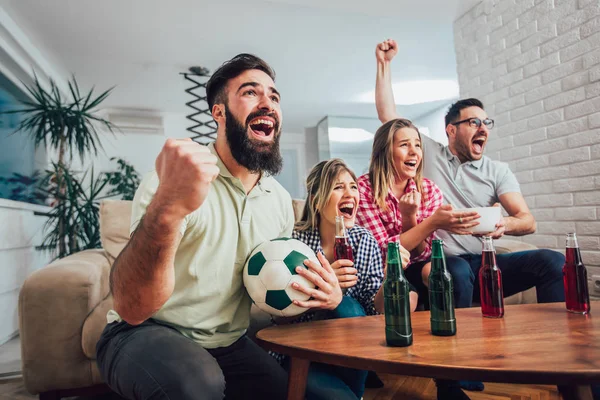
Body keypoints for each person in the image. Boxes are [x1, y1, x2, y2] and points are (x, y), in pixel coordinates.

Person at [96, 54, 343, 400]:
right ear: (219, 112)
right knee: (197, 383)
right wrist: (168, 208)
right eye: (250, 93)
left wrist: (316, 298)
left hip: (227, 343)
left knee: (293, 393)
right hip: (140, 332)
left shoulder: (279, 201)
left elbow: (276, 301)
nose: (267, 103)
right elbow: (132, 306)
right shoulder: (176, 180)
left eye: (274, 96)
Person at [374, 39, 566, 399]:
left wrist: (502, 224)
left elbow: (527, 220)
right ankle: (455, 371)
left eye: (486, 122)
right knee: (454, 271)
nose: (483, 128)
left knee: (552, 262)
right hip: (442, 261)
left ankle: (563, 362)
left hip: (486, 260)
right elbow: (390, 119)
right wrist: (383, 65)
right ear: (451, 130)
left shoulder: (498, 170)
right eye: (473, 122)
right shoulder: (427, 153)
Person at [279, 158, 411, 399]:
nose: (350, 193)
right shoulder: (295, 242)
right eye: (338, 187)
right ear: (317, 199)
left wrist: (391, 276)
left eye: (353, 186)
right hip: (302, 348)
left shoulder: (364, 240)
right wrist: (322, 288)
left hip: (352, 351)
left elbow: (374, 309)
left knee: (348, 307)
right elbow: (280, 317)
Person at [355, 118, 479, 304]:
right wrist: (431, 223)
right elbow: (383, 253)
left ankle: (460, 329)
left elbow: (422, 254)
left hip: (416, 266)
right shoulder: (363, 189)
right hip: (383, 272)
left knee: (457, 268)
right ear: (385, 151)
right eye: (404, 145)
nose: (414, 152)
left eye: (418, 145)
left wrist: (409, 218)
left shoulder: (429, 190)